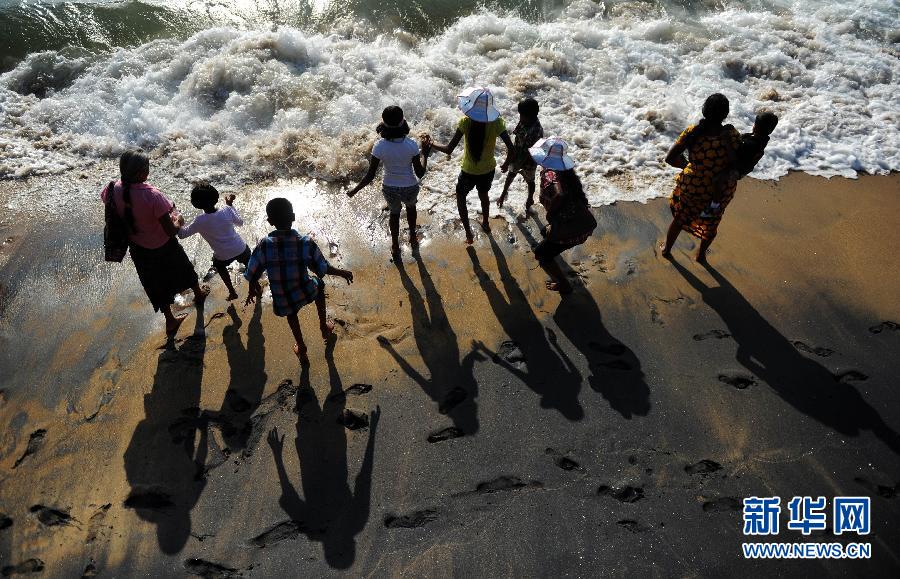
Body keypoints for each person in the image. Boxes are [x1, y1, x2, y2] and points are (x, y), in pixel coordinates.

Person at [101, 150, 208, 337]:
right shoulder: (152, 196)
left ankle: (170, 320)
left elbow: (111, 207)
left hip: (138, 247)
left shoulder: (111, 189)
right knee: (182, 268)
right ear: (142, 173)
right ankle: (198, 294)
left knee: (154, 282)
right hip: (163, 245)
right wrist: (180, 220)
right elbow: (171, 230)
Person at [244, 198, 354, 363]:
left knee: (291, 313)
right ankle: (324, 328)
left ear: (270, 221)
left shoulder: (264, 245)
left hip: (284, 298)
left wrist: (252, 288)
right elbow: (322, 268)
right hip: (305, 289)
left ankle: (301, 347)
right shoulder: (304, 243)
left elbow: (252, 273)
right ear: (293, 217)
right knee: (319, 284)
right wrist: (342, 272)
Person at [660, 93, 741, 264]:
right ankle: (700, 255)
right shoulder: (731, 134)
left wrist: (689, 167)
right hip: (719, 189)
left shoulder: (693, 132)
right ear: (725, 114)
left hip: (695, 185)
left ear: (704, 110)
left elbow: (670, 158)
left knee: (680, 219)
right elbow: (736, 162)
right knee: (712, 223)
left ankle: (667, 249)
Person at [427, 87, 513, 244]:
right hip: (488, 170)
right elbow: (511, 148)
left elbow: (449, 149)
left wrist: (431, 143)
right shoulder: (496, 123)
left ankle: (468, 234)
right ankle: (486, 223)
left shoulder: (465, 122)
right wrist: (506, 163)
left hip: (468, 171)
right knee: (484, 195)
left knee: (461, 197)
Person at [347, 106, 430, 256]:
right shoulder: (411, 145)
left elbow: (370, 175)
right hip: (410, 186)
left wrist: (355, 190)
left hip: (390, 188)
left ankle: (395, 245)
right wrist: (425, 154)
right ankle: (412, 237)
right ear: (402, 121)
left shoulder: (380, 146)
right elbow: (420, 172)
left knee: (394, 213)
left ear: (383, 123)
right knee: (411, 209)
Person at [530, 137, 596, 294]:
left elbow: (560, 194)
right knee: (545, 234)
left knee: (541, 254)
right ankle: (555, 256)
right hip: (583, 224)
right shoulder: (568, 174)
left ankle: (563, 285)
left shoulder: (549, 175)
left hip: (571, 229)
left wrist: (551, 212)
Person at [177, 183, 250, 301]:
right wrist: (231, 206)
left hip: (223, 255)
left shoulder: (199, 221)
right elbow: (240, 223)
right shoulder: (226, 209)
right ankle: (256, 285)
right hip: (240, 248)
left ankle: (232, 292)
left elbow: (182, 234)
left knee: (219, 265)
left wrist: (178, 218)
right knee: (249, 263)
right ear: (216, 198)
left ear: (196, 204)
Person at [498, 97, 544, 214]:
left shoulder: (535, 130)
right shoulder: (526, 122)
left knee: (527, 179)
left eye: (521, 115)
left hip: (528, 159)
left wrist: (507, 162)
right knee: (516, 176)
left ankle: (529, 198)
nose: (520, 118)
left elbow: (530, 149)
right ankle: (504, 194)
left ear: (530, 116)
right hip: (521, 156)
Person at [736, 111, 778, 178]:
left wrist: (727, 142)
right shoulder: (764, 140)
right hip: (743, 170)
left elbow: (734, 158)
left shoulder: (751, 144)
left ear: (755, 127)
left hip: (734, 171)